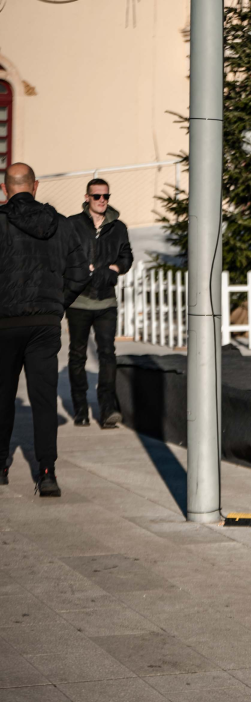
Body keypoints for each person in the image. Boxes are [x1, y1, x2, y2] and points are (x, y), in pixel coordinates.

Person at [0, 163, 90, 495]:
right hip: (45, 326)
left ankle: (1, 466)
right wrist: (56, 305)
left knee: (2, 396)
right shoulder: (63, 225)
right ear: (35, 186)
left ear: (4, 188)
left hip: (5, 324)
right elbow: (81, 274)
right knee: (43, 399)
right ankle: (47, 473)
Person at [67, 178, 133, 428]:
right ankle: (80, 408)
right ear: (87, 198)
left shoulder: (118, 227)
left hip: (106, 301)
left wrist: (113, 268)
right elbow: (64, 255)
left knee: (107, 354)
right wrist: (82, 270)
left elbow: (127, 256)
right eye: (97, 196)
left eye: (106, 196)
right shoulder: (72, 225)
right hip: (78, 302)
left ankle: (107, 409)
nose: (102, 200)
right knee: (77, 355)